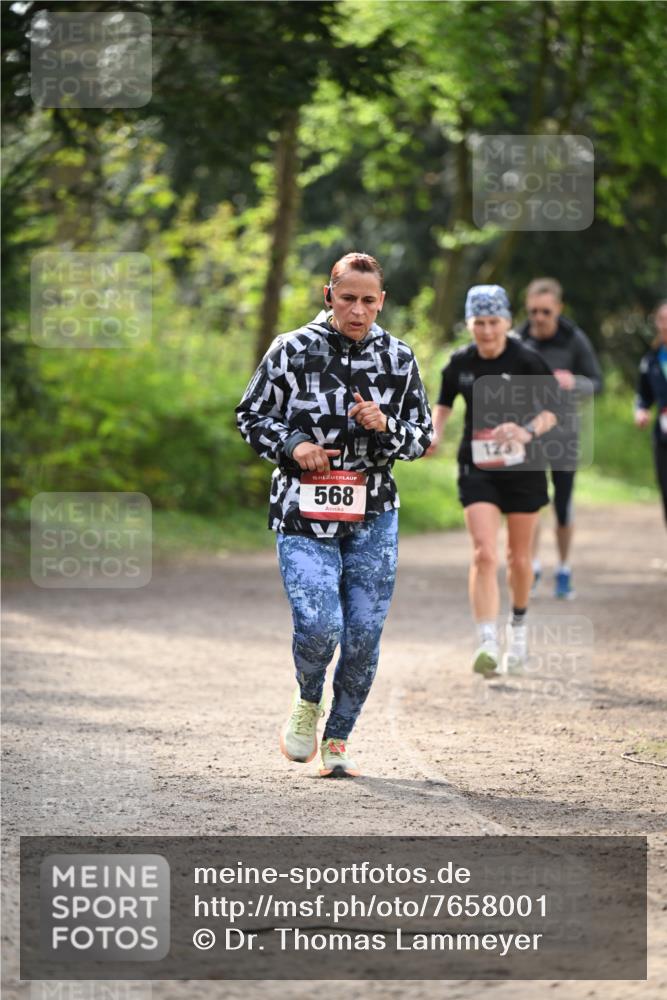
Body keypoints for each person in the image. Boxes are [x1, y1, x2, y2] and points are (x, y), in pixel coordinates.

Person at [236, 252, 432, 777]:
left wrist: (388, 425)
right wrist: (293, 443)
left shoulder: (399, 358)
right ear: (329, 295)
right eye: (348, 298)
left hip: (373, 514)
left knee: (364, 635)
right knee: (321, 626)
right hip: (303, 510)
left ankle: (339, 737)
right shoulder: (291, 350)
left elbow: (423, 437)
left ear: (382, 302)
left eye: (369, 301)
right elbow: (250, 415)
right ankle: (307, 700)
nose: (358, 310)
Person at [427, 285, 558, 677]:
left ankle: (517, 632)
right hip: (478, 466)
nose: (486, 331)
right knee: (484, 553)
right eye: (479, 323)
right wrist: (434, 433)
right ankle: (486, 640)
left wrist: (526, 431)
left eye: (493, 322)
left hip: (524, 467)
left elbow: (553, 410)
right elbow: (445, 402)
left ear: (506, 322)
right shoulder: (459, 362)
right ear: (470, 324)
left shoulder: (527, 359)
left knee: (518, 558)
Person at [519, 278, 603, 599]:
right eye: (533, 311)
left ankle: (564, 568)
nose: (538, 318)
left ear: (558, 309)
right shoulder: (520, 338)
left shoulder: (574, 339)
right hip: (531, 433)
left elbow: (597, 382)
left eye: (545, 312)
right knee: (532, 501)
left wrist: (575, 382)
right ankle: (534, 565)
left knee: (563, 504)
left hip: (565, 434)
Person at [634, 300, 667, 527]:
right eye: (663, 319)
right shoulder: (651, 360)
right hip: (663, 435)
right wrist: (641, 411)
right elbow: (643, 396)